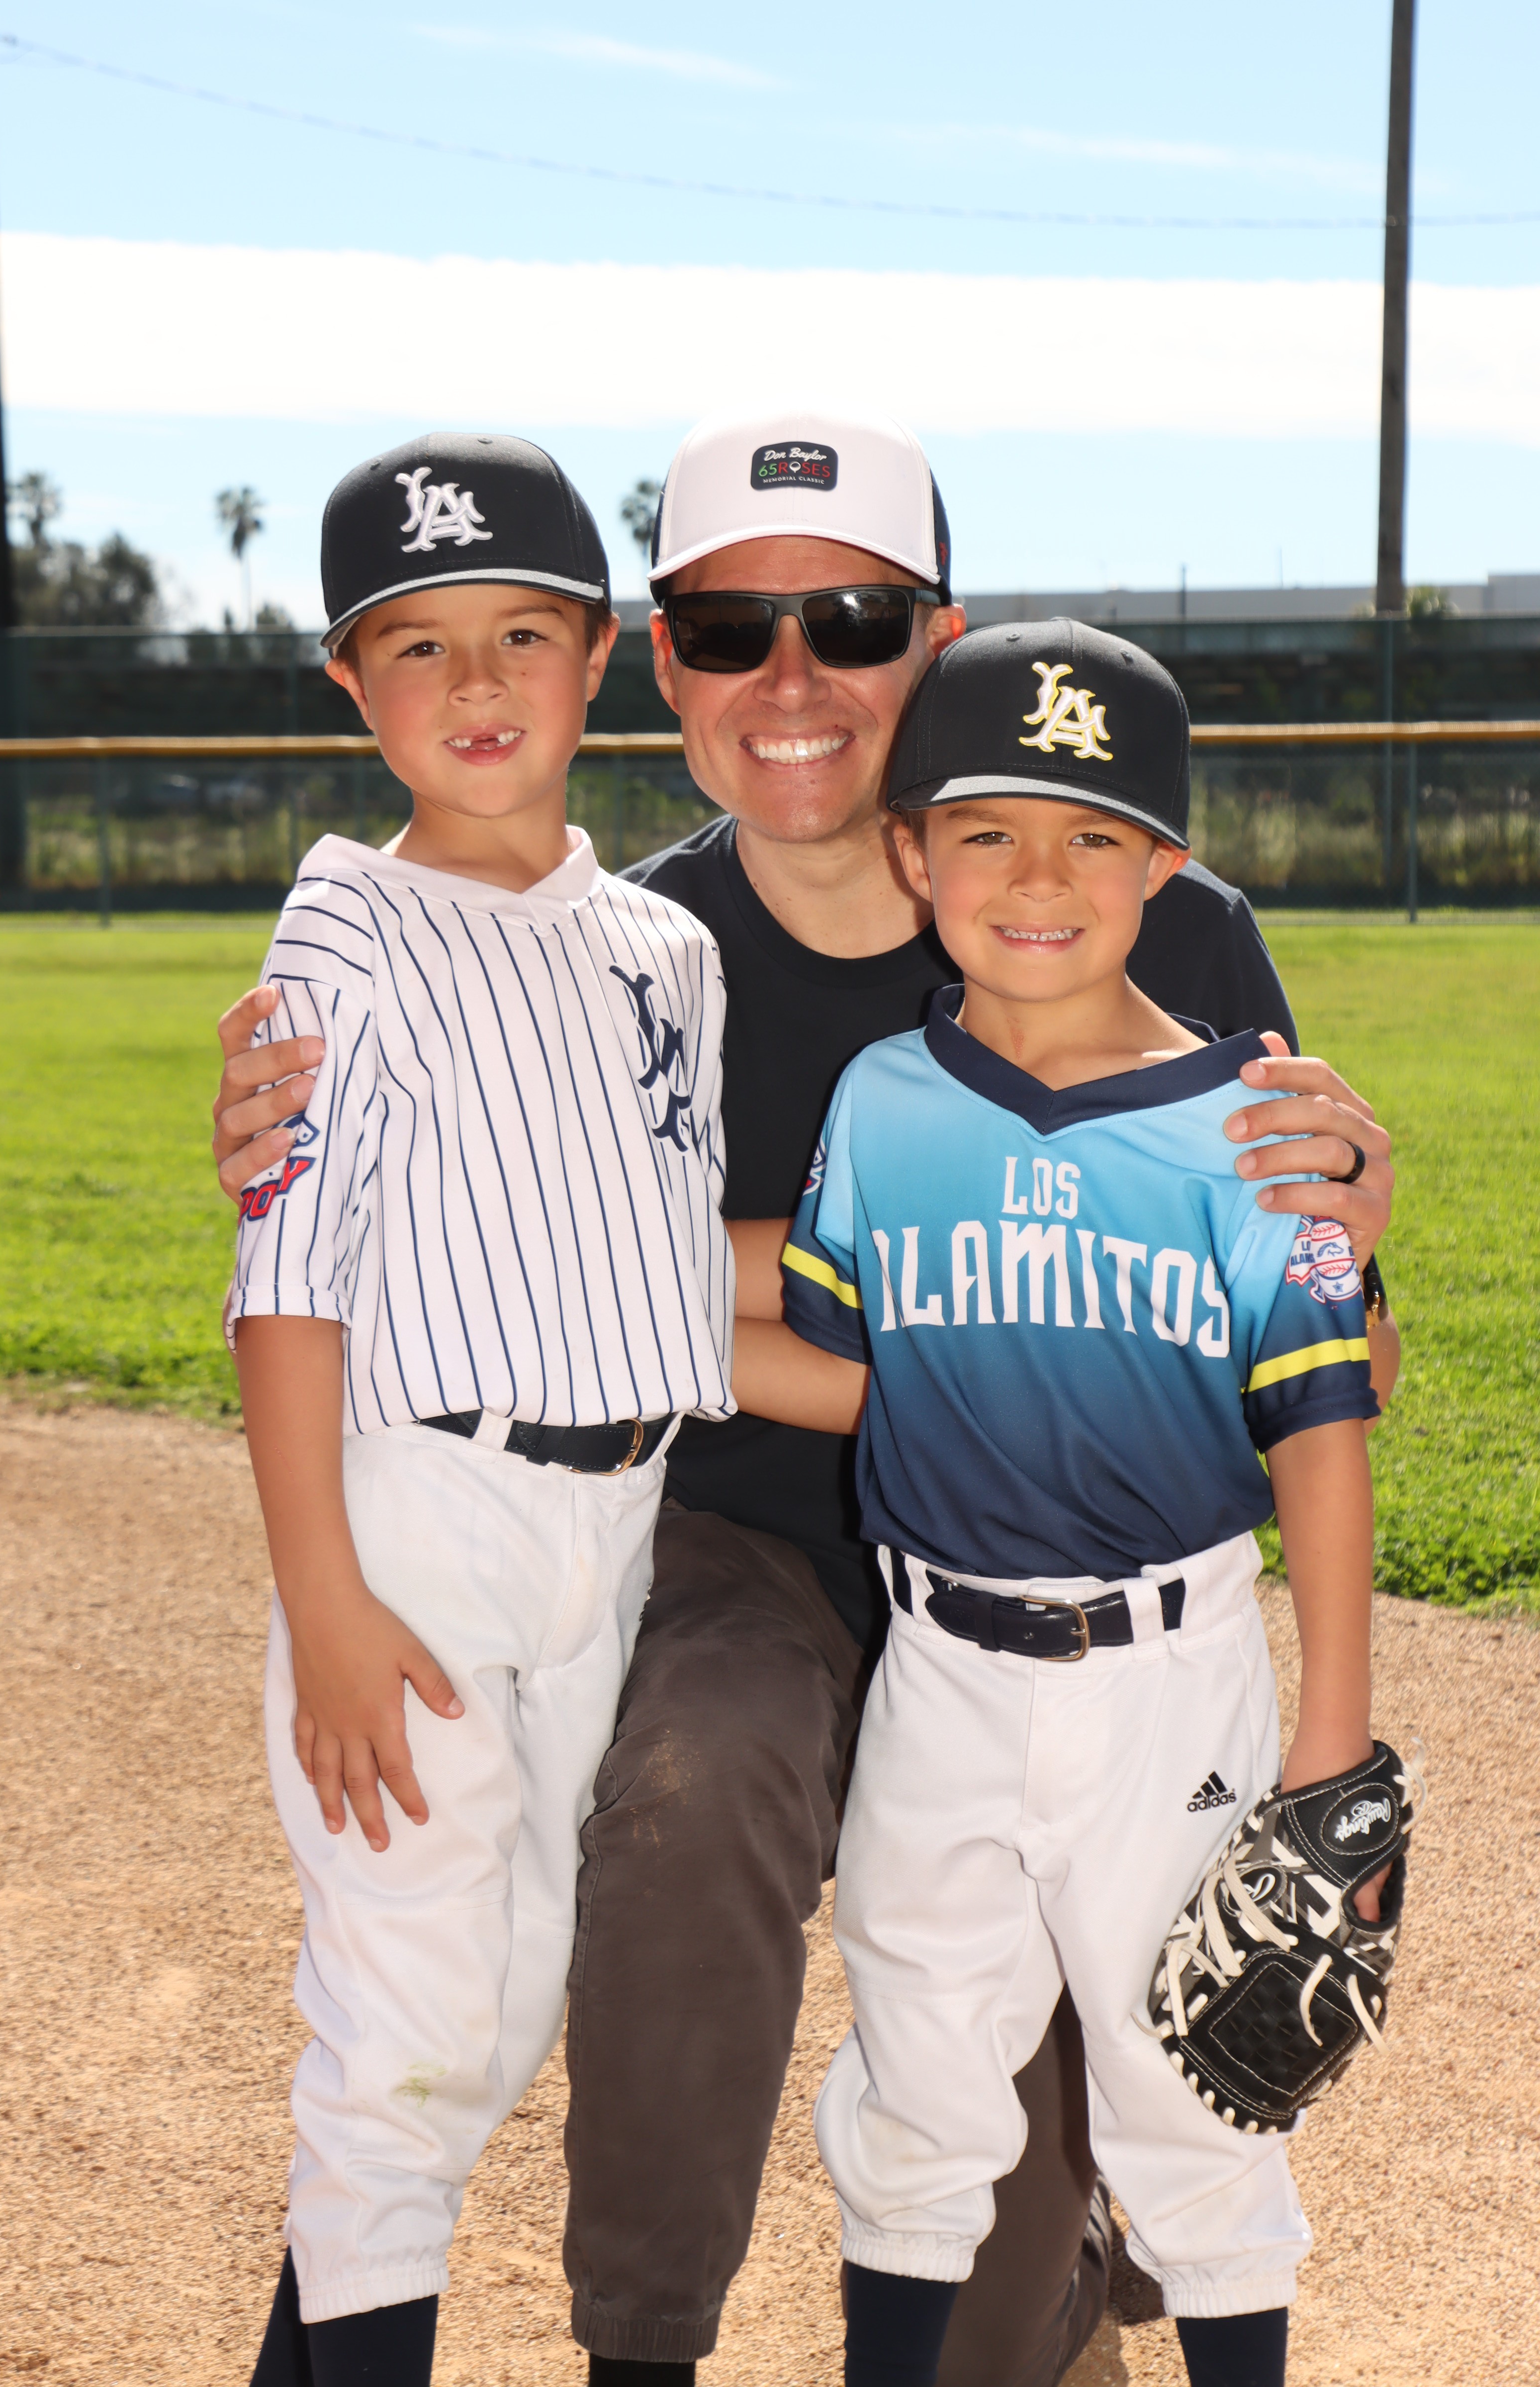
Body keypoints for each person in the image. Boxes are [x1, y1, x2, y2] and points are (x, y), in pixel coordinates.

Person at [211, 410, 1399, 2387]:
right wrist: (317, 1133)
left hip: (1053, 1585)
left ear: (937, 641)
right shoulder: (634, 950)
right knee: (681, 1795)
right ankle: (638, 2346)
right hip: (739, 1538)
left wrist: (1348, 1217)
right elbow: (517, 1242)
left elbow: (1314, 1350)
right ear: (659, 662)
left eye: (849, 622)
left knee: (994, 2281)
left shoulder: (1147, 917)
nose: (790, 681)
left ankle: (1074, 2247)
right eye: (726, 628)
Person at [736, 617, 1386, 2387]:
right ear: (911, 856)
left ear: (1166, 866)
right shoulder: (885, 1100)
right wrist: (618, 1335)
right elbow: (864, 1370)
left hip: (1168, 1677)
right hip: (941, 1669)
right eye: (988, 831)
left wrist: (1332, 1735)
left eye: (1094, 835)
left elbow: (1323, 1430)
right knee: (917, 2079)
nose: (1039, 878)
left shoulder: (1255, 1126)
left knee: (1200, 2093)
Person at [230, 435, 734, 2387]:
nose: (474, 683)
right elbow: (288, 1287)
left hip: (609, 1534)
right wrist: (327, 1605)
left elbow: (665, 1271)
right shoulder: (345, 928)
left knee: (498, 2012)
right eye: (414, 645)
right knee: (412, 2035)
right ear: (351, 685)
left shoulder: (669, 955)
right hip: (420, 1524)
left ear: (598, 655)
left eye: (519, 633)